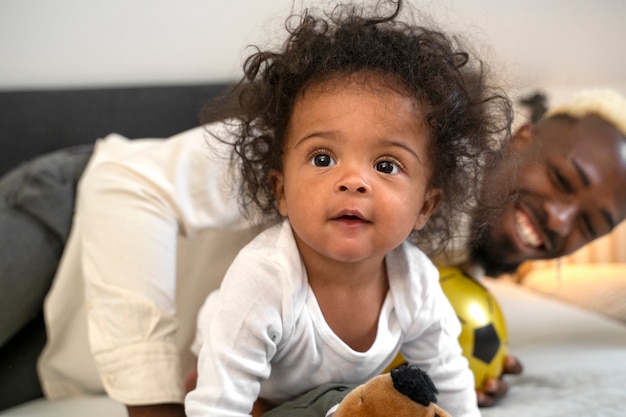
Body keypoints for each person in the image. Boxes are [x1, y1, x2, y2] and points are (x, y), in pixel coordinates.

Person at [1, 4, 626, 417]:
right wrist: (151, 400)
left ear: (426, 204)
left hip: (85, 347)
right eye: (564, 179)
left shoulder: (426, 258)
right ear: (522, 136)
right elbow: (131, 186)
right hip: (73, 211)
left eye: (592, 227)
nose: (561, 223)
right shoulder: (356, 122)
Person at [183, 0, 511, 415]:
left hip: (331, 394)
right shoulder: (263, 279)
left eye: (386, 165)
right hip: (241, 367)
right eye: (323, 158)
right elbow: (219, 404)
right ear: (281, 189)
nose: (353, 180)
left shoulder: (416, 282)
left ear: (425, 206)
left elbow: (448, 375)